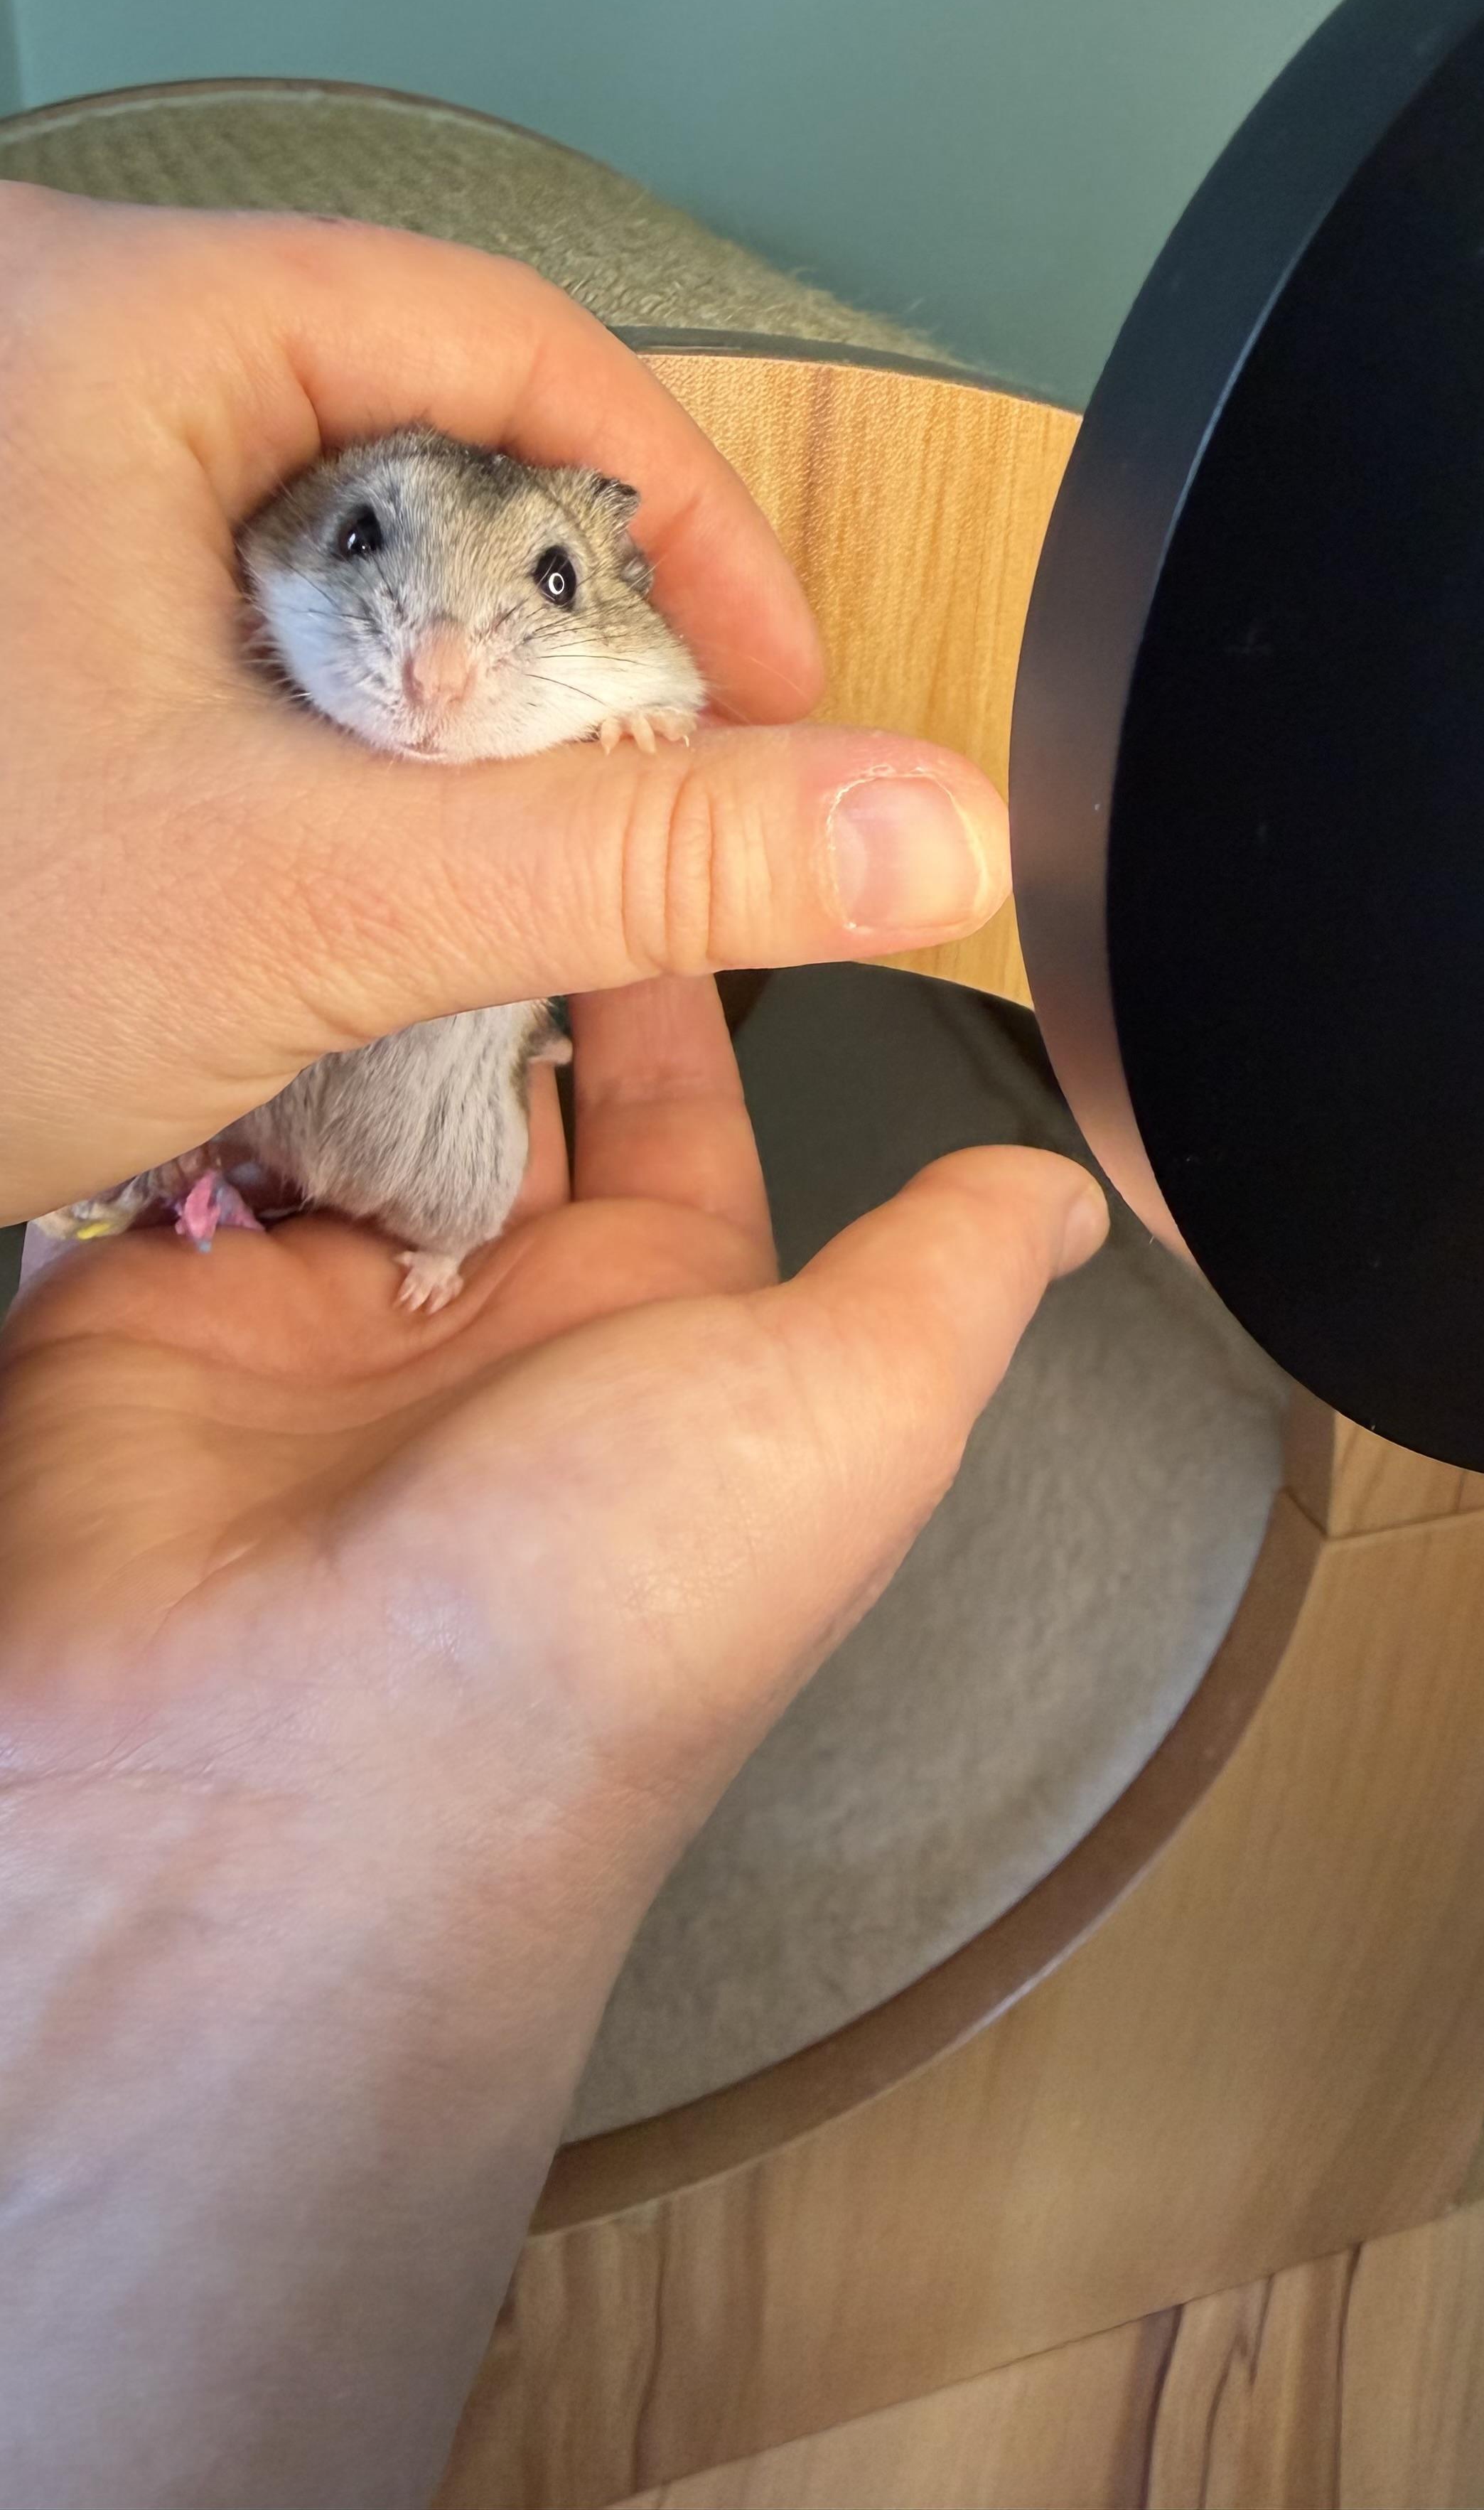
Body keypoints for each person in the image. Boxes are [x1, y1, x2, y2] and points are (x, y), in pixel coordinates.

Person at [0, 182, 1108, 2509]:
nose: (435, 662)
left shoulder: (630, 694)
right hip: (207, 1162)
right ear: (303, 535)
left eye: (531, 598)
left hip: (424, 1198)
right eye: (378, 557)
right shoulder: (219, 642)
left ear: (599, 600)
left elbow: (670, 699)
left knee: (465, 1154)